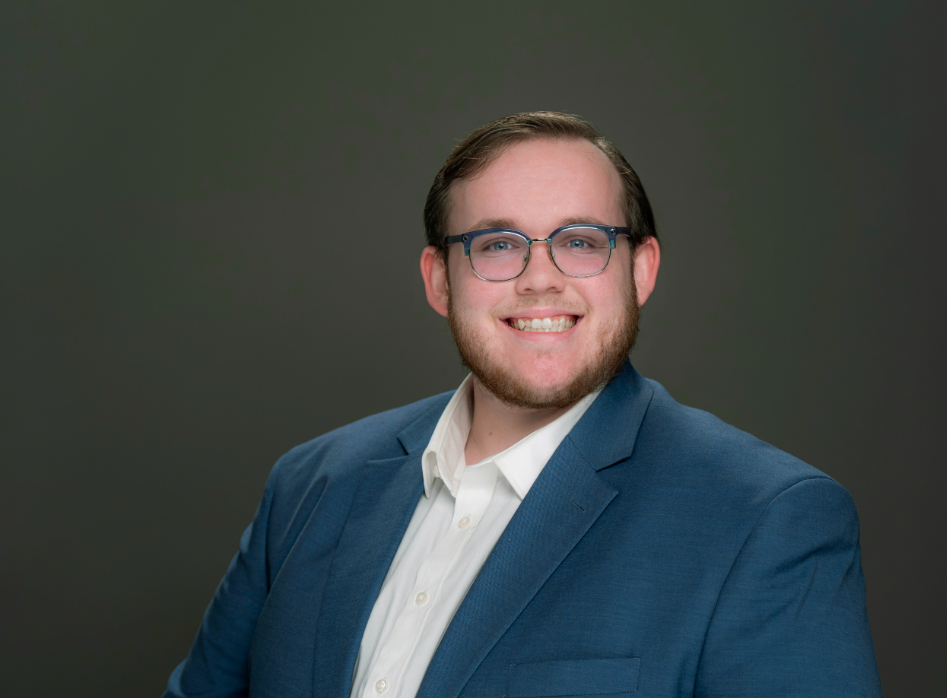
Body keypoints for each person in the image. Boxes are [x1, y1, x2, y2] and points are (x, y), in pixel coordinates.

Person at [163, 112, 882, 698]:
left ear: (642, 270)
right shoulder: (309, 486)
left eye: (580, 241)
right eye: (497, 244)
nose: (541, 280)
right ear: (440, 280)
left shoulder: (766, 521)